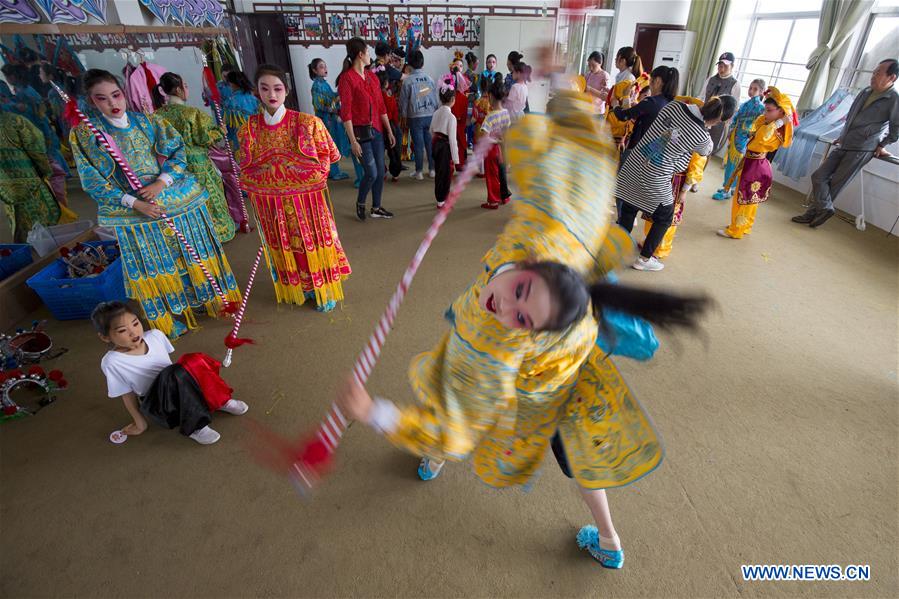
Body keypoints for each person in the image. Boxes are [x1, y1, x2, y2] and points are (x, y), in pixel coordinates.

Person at [333, 90, 712, 570]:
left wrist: (375, 411)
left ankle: (607, 537)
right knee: (487, 390)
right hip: (555, 345)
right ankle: (610, 539)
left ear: (532, 331)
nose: (503, 304)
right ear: (537, 264)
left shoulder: (496, 345)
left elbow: (459, 429)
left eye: (522, 316)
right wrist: (516, 123)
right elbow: (570, 181)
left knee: (487, 401)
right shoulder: (542, 236)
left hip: (545, 383)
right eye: (520, 291)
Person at [70, 69, 241, 338]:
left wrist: (162, 182)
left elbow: (177, 151)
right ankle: (168, 319)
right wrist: (133, 203)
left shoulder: (148, 121)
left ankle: (208, 300)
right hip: (133, 209)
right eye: (102, 99)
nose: (113, 104)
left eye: (116, 95)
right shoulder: (86, 134)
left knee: (193, 252)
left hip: (174, 197)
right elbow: (92, 180)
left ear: (124, 94)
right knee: (154, 262)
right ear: (92, 102)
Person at [239, 64, 351, 312]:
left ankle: (322, 289)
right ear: (257, 92)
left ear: (286, 91)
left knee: (312, 240)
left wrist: (308, 178)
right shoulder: (250, 128)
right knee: (284, 242)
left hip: (306, 202)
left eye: (277, 88)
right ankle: (299, 287)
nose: (272, 94)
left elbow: (330, 155)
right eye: (265, 88)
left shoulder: (307, 123)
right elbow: (246, 168)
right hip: (273, 204)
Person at [93, 301, 248, 445]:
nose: (134, 333)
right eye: (122, 331)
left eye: (135, 323)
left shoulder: (155, 335)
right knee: (175, 372)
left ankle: (220, 401)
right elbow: (126, 394)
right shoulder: (112, 361)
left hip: (177, 384)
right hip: (159, 403)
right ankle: (194, 426)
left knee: (193, 360)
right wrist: (140, 422)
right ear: (105, 337)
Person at [616, 95, 737, 271]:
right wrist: (706, 126)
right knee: (665, 216)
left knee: (629, 206)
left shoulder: (674, 106)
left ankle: (617, 247)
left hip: (634, 165)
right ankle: (644, 260)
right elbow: (706, 150)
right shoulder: (703, 138)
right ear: (721, 120)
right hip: (656, 175)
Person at [792, 58, 899, 228]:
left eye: (878, 73)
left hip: (863, 148)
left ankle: (812, 215)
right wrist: (842, 135)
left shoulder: (894, 99)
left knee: (835, 184)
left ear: (891, 77)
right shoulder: (865, 91)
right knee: (819, 176)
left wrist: (882, 145)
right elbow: (851, 117)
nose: (873, 76)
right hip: (845, 142)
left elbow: (896, 128)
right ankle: (825, 208)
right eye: (874, 72)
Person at [154, 72, 236, 243]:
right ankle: (219, 232)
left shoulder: (156, 115)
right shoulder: (191, 114)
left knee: (184, 199)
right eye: (185, 85)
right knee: (211, 196)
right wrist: (220, 131)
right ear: (178, 89)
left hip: (171, 166)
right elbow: (204, 138)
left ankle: (195, 235)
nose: (187, 88)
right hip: (196, 161)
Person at [718, 87, 795, 239]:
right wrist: (774, 121)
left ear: (780, 112)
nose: (764, 113)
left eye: (769, 110)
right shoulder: (769, 124)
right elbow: (757, 124)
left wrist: (777, 123)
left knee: (744, 199)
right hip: (755, 163)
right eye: (765, 110)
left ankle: (736, 230)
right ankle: (743, 225)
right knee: (750, 199)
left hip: (755, 166)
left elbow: (759, 139)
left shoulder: (775, 130)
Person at [339, 38, 396, 221]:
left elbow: (381, 107)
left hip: (377, 131)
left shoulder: (372, 77)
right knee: (371, 172)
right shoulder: (347, 79)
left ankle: (376, 207)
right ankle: (361, 201)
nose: (370, 55)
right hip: (359, 134)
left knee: (380, 171)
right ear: (360, 55)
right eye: (368, 52)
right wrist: (353, 141)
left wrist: (389, 130)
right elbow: (345, 113)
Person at [2, 63, 69, 206]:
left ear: (13, 76)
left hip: (37, 128)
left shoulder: (24, 93)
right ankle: (62, 178)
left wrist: (12, 105)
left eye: (7, 76)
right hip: (41, 127)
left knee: (49, 157)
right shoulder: (25, 90)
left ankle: (60, 181)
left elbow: (30, 112)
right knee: (51, 155)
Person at [0, 109, 65, 241]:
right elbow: (36, 149)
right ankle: (48, 255)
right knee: (42, 223)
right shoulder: (15, 121)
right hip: (31, 182)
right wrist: (45, 170)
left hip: (6, 189)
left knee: (18, 223)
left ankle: (31, 254)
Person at [713, 78, 766, 200]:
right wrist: (731, 130)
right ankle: (729, 187)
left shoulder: (761, 108)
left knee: (734, 165)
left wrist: (749, 134)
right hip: (736, 136)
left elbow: (760, 126)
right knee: (731, 165)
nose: (751, 91)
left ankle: (727, 189)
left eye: (755, 89)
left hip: (744, 140)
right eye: (750, 88)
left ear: (761, 92)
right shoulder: (745, 104)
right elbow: (736, 118)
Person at [612, 66, 678, 160]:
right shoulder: (671, 104)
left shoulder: (651, 102)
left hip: (638, 152)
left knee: (624, 174)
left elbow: (623, 115)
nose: (649, 85)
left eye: (651, 80)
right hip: (655, 153)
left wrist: (615, 104)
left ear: (658, 81)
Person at [309, 58, 351, 181]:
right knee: (329, 145)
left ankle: (334, 170)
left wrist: (339, 94)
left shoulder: (324, 84)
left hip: (330, 119)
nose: (325, 69)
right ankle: (333, 172)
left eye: (325, 66)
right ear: (314, 70)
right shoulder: (316, 86)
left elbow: (331, 97)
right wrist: (333, 108)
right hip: (325, 120)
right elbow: (318, 105)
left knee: (331, 145)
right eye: (321, 67)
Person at [399, 49, 439, 181]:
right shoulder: (430, 79)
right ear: (423, 64)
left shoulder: (407, 81)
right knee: (430, 143)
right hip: (430, 115)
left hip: (415, 116)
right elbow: (434, 99)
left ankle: (419, 171)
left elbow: (403, 102)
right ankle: (433, 169)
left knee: (418, 145)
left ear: (409, 65)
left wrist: (403, 116)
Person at [480, 79, 512, 210]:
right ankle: (505, 197)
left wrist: (495, 140)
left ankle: (493, 201)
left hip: (492, 150)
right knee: (501, 173)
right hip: (503, 148)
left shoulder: (489, 117)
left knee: (492, 175)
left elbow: (484, 137)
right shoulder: (506, 113)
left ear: (491, 97)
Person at [701, 52, 741, 155]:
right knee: (697, 141)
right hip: (703, 115)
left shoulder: (735, 84)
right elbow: (701, 96)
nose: (721, 69)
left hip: (719, 121)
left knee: (710, 147)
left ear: (732, 66)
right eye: (720, 65)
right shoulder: (711, 79)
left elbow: (735, 107)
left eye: (725, 66)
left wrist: (728, 122)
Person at [430, 74, 460, 209]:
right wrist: (456, 159)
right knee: (446, 174)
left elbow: (431, 130)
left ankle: (439, 198)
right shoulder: (451, 117)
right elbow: (453, 140)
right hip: (445, 147)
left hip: (436, 143)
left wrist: (434, 142)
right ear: (453, 99)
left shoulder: (436, 113)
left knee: (439, 172)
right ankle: (442, 199)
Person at [605, 71, 650, 152]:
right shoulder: (613, 114)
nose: (633, 97)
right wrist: (626, 100)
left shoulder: (636, 111)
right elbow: (624, 118)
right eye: (631, 94)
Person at [222, 70, 260, 153]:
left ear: (232, 84)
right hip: (257, 137)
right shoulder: (254, 100)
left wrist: (228, 141)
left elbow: (225, 126)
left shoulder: (230, 103)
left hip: (240, 140)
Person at [377, 67, 403, 182]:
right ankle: (395, 174)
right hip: (391, 125)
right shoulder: (389, 95)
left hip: (378, 126)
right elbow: (394, 112)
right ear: (386, 83)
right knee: (394, 150)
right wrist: (396, 125)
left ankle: (382, 171)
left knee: (379, 151)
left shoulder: (375, 96)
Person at [449, 54, 470, 169]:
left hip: (462, 108)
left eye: (461, 66)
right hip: (452, 108)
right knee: (452, 138)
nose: (458, 68)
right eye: (456, 65)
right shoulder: (447, 79)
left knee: (461, 137)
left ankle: (460, 162)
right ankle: (453, 162)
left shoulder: (465, 81)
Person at [584, 51, 611, 115]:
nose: (590, 68)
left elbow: (606, 97)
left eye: (593, 65)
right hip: (587, 109)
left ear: (600, 63)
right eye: (589, 65)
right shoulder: (588, 74)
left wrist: (590, 89)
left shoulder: (605, 75)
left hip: (597, 112)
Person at [464, 51, 480, 148]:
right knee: (471, 121)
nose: (477, 66)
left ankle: (469, 140)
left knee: (469, 121)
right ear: (472, 63)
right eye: (476, 64)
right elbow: (475, 90)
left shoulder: (465, 74)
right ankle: (470, 140)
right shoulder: (473, 76)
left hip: (468, 101)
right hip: (472, 101)